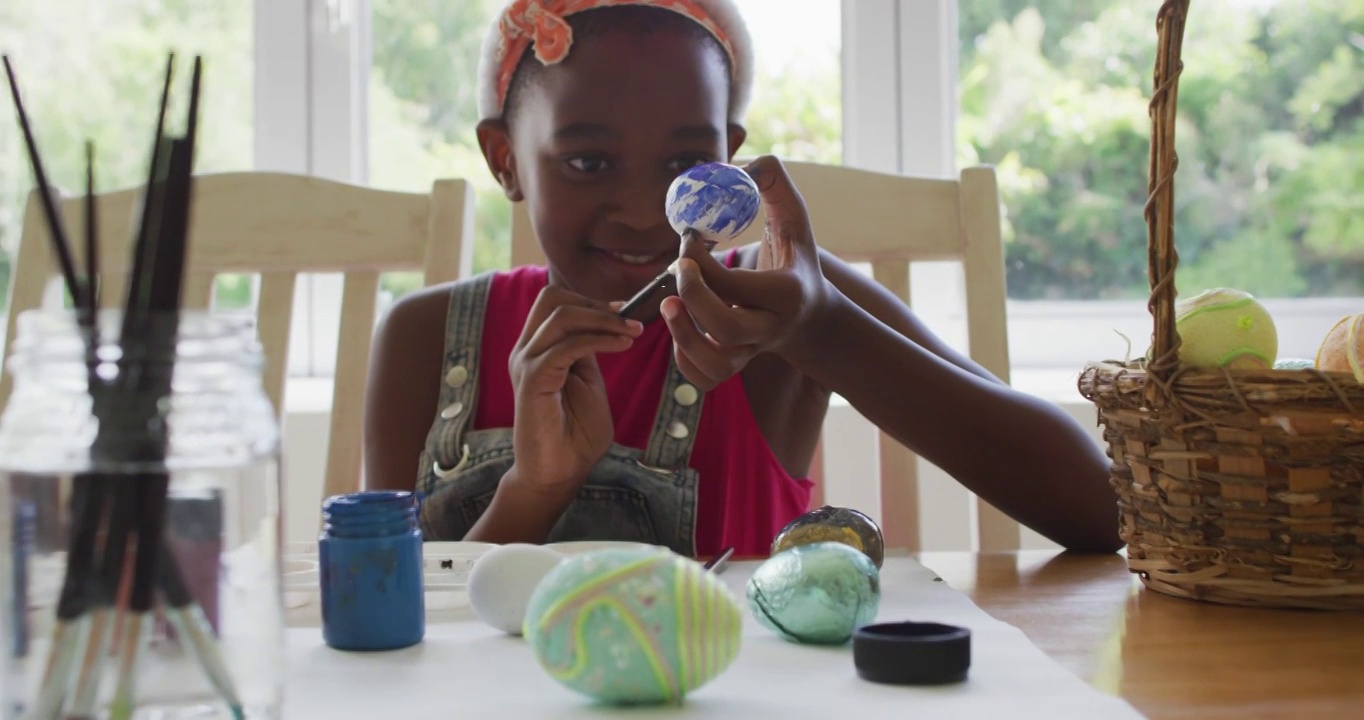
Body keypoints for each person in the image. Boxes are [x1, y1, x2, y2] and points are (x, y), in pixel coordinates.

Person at [363, 0, 1121, 558]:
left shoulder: (787, 311)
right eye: (588, 163)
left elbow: (1101, 510)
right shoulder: (424, 340)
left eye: (683, 166)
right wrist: (534, 491)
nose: (637, 211)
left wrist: (824, 331)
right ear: (505, 160)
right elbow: (389, 620)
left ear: (727, 160)